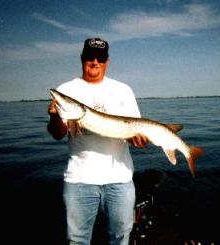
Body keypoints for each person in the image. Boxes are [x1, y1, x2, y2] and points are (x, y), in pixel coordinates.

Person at [47, 37, 148, 245]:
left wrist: (138, 140)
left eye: (100, 58)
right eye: (90, 57)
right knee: (76, 240)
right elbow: (58, 134)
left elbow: (133, 135)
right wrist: (56, 116)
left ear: (107, 61)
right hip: (79, 179)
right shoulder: (67, 89)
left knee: (120, 238)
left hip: (120, 179)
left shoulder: (123, 90)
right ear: (82, 58)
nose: (95, 62)